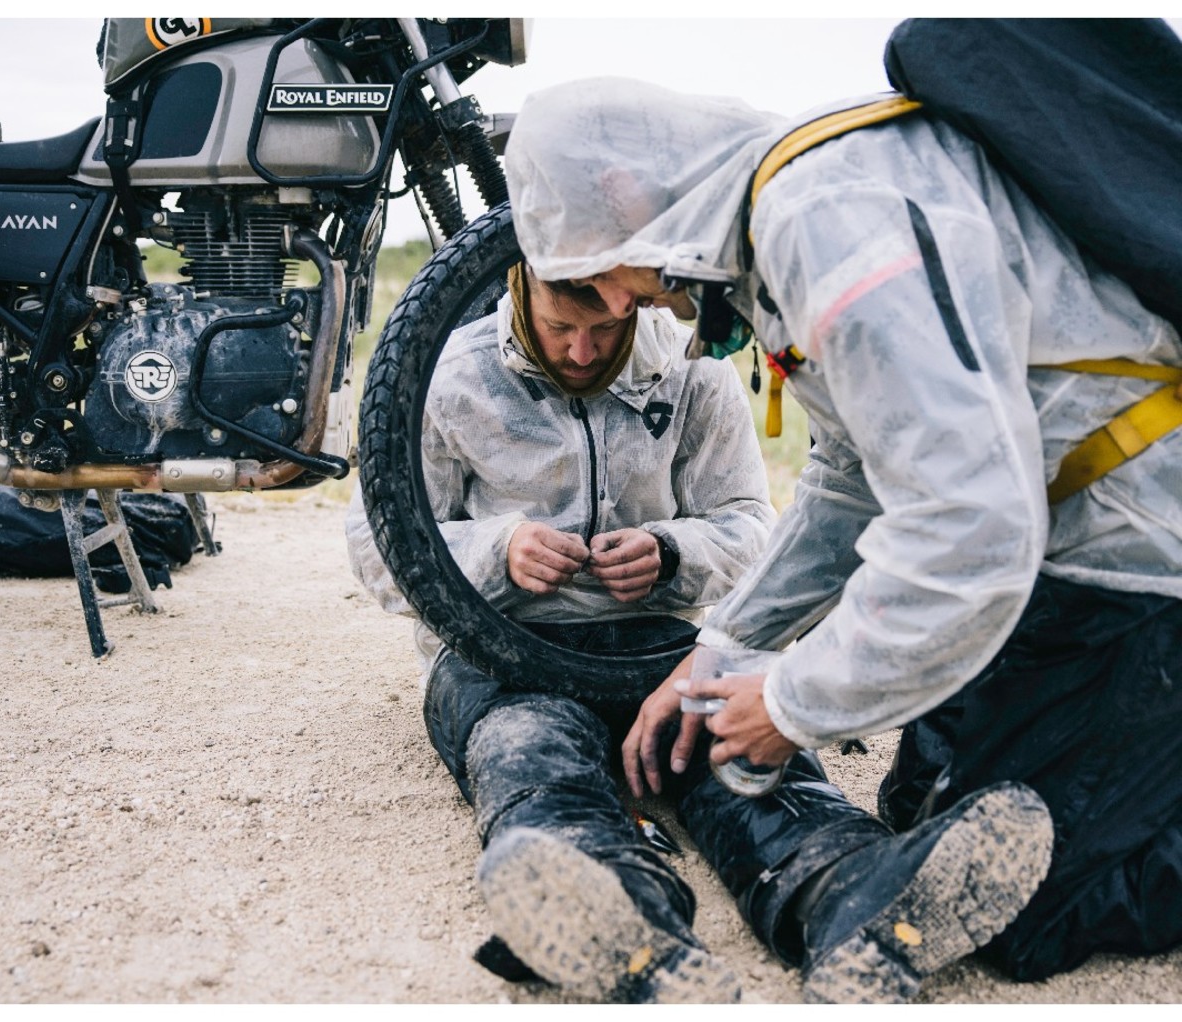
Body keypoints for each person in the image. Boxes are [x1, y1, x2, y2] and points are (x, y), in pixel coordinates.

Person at [501, 59, 1182, 1003]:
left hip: (1143, 553)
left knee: (1042, 903)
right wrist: (722, 650)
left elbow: (971, 526)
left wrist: (790, 703)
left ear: (621, 189)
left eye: (595, 268)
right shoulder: (782, 211)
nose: (618, 307)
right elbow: (849, 479)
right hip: (1069, 545)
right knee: (920, 813)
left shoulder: (822, 220)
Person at [345, 261, 776, 1002]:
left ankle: (837, 880)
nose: (583, 353)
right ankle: (619, 917)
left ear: (634, 302)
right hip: (498, 654)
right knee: (529, 757)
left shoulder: (693, 365)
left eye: (606, 328)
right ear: (517, 289)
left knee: (745, 754)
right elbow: (378, 547)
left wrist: (672, 552)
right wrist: (497, 552)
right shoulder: (447, 377)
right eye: (559, 329)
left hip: (655, 645)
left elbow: (750, 526)